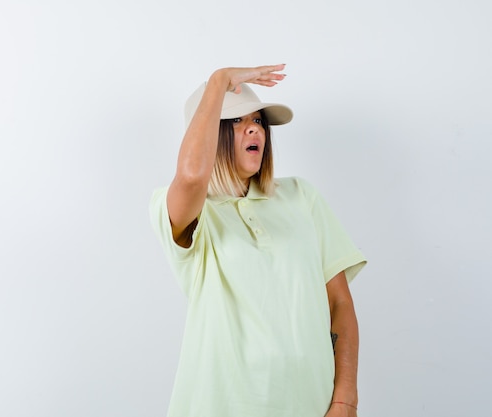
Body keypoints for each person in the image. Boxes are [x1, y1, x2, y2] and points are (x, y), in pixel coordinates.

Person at [149, 64, 367, 417]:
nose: (254, 127)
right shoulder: (190, 212)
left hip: (311, 405)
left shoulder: (301, 197)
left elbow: (340, 304)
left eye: (258, 120)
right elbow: (191, 177)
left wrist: (345, 400)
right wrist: (219, 81)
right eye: (235, 120)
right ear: (205, 133)